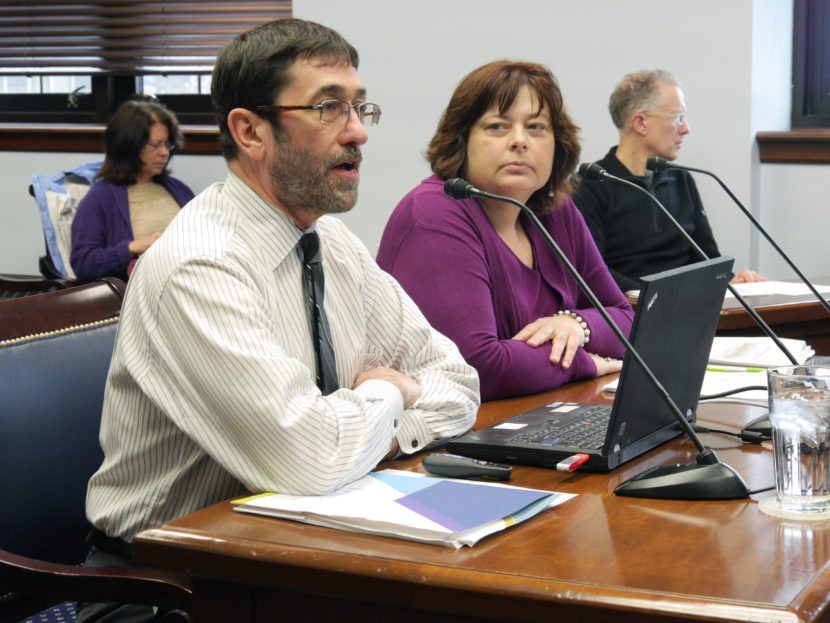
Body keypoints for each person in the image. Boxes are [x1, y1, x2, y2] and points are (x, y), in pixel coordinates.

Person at [80, 18, 479, 622]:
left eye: (359, 107)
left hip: (298, 553)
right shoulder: (200, 265)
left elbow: (459, 382)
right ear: (249, 130)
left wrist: (384, 424)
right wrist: (382, 391)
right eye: (327, 108)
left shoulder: (332, 243)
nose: (357, 133)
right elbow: (309, 460)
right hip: (168, 587)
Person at [377, 61, 633, 402]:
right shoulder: (432, 214)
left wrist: (575, 325)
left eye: (536, 127)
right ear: (462, 139)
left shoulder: (557, 210)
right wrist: (581, 361)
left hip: (539, 412)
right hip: (443, 437)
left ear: (558, 142)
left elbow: (626, 321)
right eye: (497, 126)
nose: (519, 141)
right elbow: (477, 369)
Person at [572, 69, 764, 293]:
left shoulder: (681, 179)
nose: (686, 129)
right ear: (640, 123)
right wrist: (658, 300)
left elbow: (706, 258)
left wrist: (730, 281)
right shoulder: (589, 186)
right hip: (629, 314)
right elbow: (592, 273)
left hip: (687, 307)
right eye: (678, 118)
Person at [70, 97, 195, 282]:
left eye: (167, 144)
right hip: (145, 292)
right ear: (130, 145)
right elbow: (83, 264)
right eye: (156, 145)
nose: (164, 152)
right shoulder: (100, 197)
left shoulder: (178, 190)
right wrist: (132, 247)